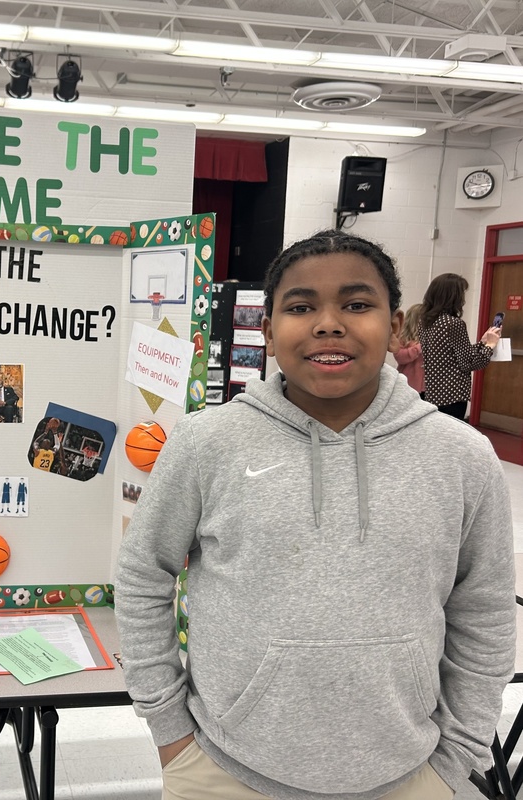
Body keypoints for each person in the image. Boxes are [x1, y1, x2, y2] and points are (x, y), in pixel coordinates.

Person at [115, 229, 515, 800]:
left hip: (413, 775)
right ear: (269, 333)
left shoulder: (462, 456)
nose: (329, 323)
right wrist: (169, 731)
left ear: (396, 326)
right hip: (222, 770)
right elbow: (141, 574)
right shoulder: (208, 443)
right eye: (301, 307)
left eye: (356, 304)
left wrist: (458, 757)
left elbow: (486, 612)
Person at [419, 273, 501, 419]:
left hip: (433, 392)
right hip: (452, 394)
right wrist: (490, 345)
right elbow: (469, 363)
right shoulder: (454, 323)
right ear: (453, 296)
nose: (463, 299)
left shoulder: (425, 321)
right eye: (462, 293)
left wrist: (482, 343)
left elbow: (452, 355)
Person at [393, 302, 425, 397]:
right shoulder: (403, 337)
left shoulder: (428, 336)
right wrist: (417, 349)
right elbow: (399, 356)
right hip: (408, 385)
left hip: (426, 387)